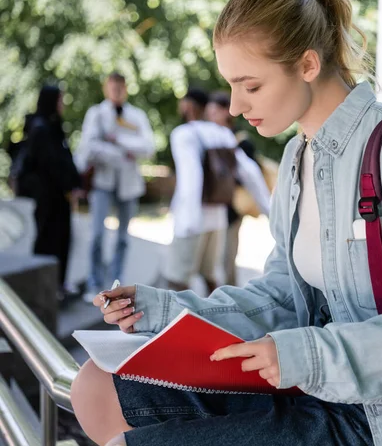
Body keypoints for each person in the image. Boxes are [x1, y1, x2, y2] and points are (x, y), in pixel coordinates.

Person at [69, 0, 382, 446]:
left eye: (251, 85)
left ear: (308, 64)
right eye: (230, 86)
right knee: (97, 386)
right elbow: (284, 296)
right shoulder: (296, 158)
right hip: (312, 389)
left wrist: (303, 356)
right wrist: (164, 310)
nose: (238, 106)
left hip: (378, 417)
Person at [162, 87, 270, 293]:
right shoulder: (223, 134)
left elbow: (191, 177)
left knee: (177, 280)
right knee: (210, 277)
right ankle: (213, 319)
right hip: (218, 219)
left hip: (192, 219)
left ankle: (181, 324)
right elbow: (250, 173)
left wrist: (188, 221)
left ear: (189, 106)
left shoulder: (184, 134)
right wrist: (270, 213)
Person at [75, 73, 155, 302]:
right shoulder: (97, 114)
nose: (116, 91)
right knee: (97, 235)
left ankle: (116, 283)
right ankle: (94, 282)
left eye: (120, 87)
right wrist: (121, 155)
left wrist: (118, 141)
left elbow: (148, 146)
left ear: (126, 89)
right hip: (103, 182)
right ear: (106, 88)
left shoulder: (136, 115)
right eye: (113, 87)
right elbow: (88, 148)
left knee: (123, 238)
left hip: (128, 185)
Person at [18, 86, 81, 298]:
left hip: (59, 197)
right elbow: (50, 164)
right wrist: (67, 184)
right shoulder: (41, 129)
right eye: (60, 100)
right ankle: (43, 288)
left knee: (61, 239)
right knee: (47, 239)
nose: (62, 105)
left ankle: (57, 284)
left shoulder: (52, 127)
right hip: (48, 196)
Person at [206, 91, 264, 286]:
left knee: (227, 255)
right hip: (212, 209)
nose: (211, 116)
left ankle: (229, 296)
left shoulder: (241, 141)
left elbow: (251, 175)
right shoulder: (208, 138)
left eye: (215, 112)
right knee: (211, 259)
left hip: (232, 209)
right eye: (210, 112)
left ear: (226, 112)